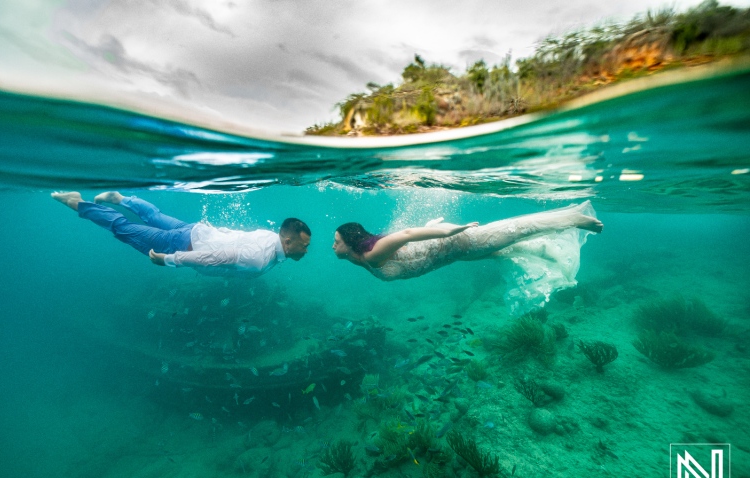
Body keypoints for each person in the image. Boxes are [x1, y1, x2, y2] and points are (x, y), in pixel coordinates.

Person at [332, 201, 603, 311]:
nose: (333, 246)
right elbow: (406, 248)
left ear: (350, 242)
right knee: (507, 250)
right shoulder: (364, 258)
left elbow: (406, 234)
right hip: (456, 254)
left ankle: (574, 218)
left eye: (336, 241)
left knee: (518, 230)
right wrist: (431, 229)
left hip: (460, 241)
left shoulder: (372, 255)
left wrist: (452, 229)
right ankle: (549, 251)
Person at [51, 191, 310, 277]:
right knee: (123, 229)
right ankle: (78, 203)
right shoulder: (260, 258)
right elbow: (214, 258)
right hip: (186, 244)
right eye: (303, 245)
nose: (306, 251)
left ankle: (121, 198)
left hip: (197, 230)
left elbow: (232, 235)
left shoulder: (269, 236)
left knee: (154, 216)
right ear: (288, 241)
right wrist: (169, 259)